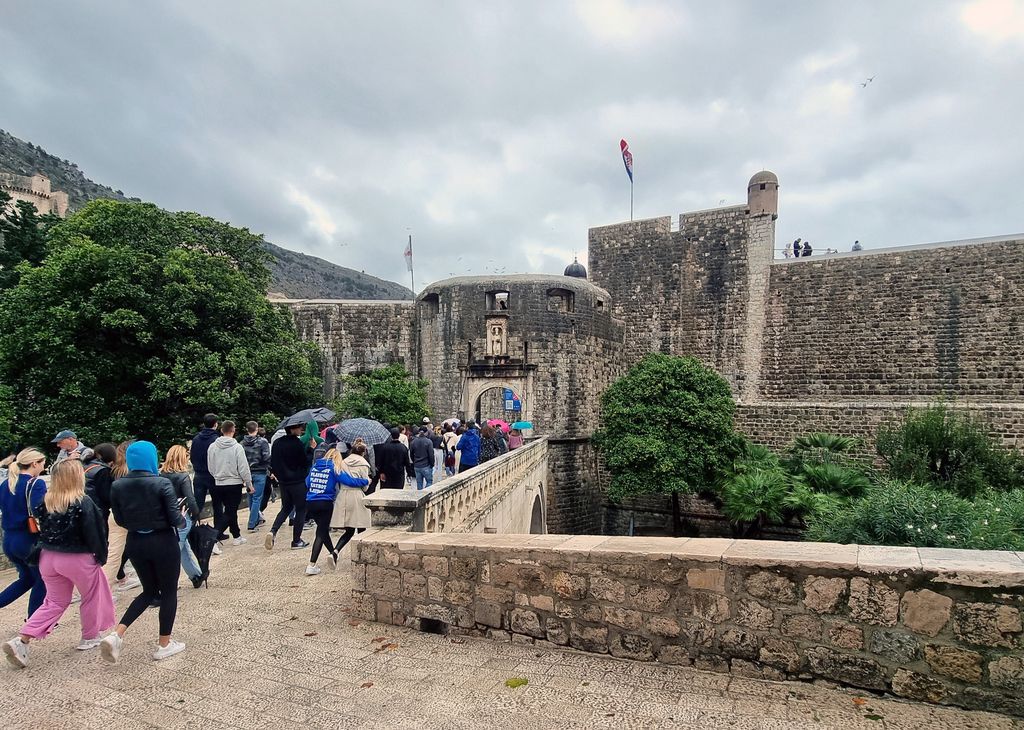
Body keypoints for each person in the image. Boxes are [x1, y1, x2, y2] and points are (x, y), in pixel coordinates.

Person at [3, 460, 114, 668]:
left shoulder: (46, 501)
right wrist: (101, 556)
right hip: (77, 557)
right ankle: (89, 636)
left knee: (53, 602)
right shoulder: (83, 501)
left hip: (48, 557)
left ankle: (22, 640)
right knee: (91, 597)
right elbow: (95, 533)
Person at [103, 441, 187, 663]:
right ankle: (164, 644)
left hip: (135, 542)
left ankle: (116, 634)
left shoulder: (118, 485)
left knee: (148, 591)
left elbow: (120, 519)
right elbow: (176, 520)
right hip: (163, 541)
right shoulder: (162, 483)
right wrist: (182, 514)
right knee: (169, 592)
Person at [304, 447, 369, 575]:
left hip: (311, 502)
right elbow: (349, 481)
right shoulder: (334, 468)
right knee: (320, 533)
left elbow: (307, 483)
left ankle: (333, 553)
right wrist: (365, 480)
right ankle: (312, 564)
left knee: (322, 531)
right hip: (325, 502)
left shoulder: (315, 467)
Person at [0, 448, 48, 618]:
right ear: (34, 463)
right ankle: (34, 620)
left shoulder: (6, 483)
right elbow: (40, 510)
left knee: (27, 579)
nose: (44, 465)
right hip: (28, 539)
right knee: (42, 579)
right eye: (42, 462)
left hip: (9, 539)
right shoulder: (36, 483)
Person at [160, 445, 204, 589]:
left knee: (183, 547)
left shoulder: (161, 475)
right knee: (176, 550)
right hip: (182, 516)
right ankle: (167, 582)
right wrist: (197, 514)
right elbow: (190, 498)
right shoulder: (183, 476)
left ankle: (196, 575)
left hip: (167, 516)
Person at [266, 422, 313, 551]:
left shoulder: (277, 443)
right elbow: (304, 462)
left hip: (283, 482)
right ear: (292, 429)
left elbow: (273, 462)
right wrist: (311, 449)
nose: (301, 429)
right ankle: (296, 540)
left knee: (286, 508)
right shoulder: (296, 444)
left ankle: (273, 530)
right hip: (297, 481)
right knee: (301, 509)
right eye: (299, 427)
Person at [207, 420, 253, 546]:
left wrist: (217, 476)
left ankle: (236, 535)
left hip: (218, 482)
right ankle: (213, 537)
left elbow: (210, 466)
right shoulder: (237, 447)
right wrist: (249, 483)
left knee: (230, 511)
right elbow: (243, 468)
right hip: (234, 483)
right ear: (233, 430)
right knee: (230, 511)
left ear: (221, 430)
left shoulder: (212, 447)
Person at [332, 443, 372, 550]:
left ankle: (336, 551)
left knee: (349, 530)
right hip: (357, 496)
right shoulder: (364, 464)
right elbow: (365, 488)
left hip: (343, 495)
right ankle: (360, 552)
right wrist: (367, 481)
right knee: (361, 526)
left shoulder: (343, 462)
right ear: (363, 453)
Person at [190, 414, 221, 532]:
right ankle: (217, 531)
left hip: (199, 474)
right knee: (217, 504)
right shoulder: (216, 440)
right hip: (213, 475)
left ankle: (192, 529)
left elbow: (192, 456)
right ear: (215, 424)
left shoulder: (196, 438)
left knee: (197, 504)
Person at [242, 421, 271, 533]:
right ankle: (252, 523)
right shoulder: (262, 442)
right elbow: (266, 457)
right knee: (257, 498)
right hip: (260, 471)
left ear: (247, 429)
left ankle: (256, 518)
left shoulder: (242, 443)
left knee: (250, 496)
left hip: (247, 472)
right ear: (257, 429)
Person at [82, 443, 116, 520]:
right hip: (98, 509)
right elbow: (105, 495)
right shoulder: (103, 471)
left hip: (86, 506)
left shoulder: (86, 465)